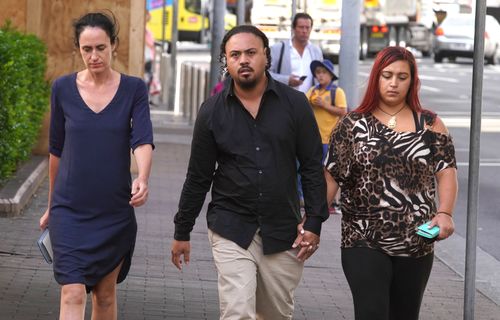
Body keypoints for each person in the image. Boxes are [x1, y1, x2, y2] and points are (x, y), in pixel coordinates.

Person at [171, 25, 329, 319]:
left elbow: (311, 166)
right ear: (226, 62)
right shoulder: (211, 112)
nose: (243, 60)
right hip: (230, 226)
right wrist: (182, 230)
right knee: (238, 310)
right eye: (235, 55)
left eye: (250, 53)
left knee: (275, 314)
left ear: (266, 57)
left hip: (284, 231)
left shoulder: (295, 105)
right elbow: (198, 177)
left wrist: (315, 223)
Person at [324, 46, 458, 320]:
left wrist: (444, 213)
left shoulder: (430, 124)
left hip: (418, 238)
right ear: (376, 78)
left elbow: (446, 172)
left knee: (404, 315)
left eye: (402, 76)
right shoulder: (352, 125)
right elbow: (331, 176)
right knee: (371, 312)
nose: (394, 83)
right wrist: (311, 222)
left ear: (412, 81)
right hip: (363, 236)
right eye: (387, 75)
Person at [39, 12, 154, 319]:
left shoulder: (133, 89)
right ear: (78, 49)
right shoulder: (62, 89)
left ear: (113, 45)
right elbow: (56, 151)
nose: (94, 56)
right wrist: (51, 205)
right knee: (72, 291)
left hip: (113, 212)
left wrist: (142, 176)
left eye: (100, 47)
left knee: (104, 296)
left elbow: (142, 138)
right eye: (86, 49)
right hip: (69, 210)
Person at [306, 59, 346, 214]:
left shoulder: (337, 91)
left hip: (330, 138)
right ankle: (318, 202)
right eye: (318, 73)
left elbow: (343, 111)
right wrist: (310, 101)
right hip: (314, 138)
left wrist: (324, 105)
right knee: (315, 171)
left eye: (323, 73)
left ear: (330, 75)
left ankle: (332, 203)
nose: (320, 76)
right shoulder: (313, 91)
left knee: (330, 172)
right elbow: (303, 102)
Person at [269, 12, 323, 93]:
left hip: (308, 101)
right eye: (301, 27)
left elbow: (321, 76)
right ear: (293, 29)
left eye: (307, 27)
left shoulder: (316, 51)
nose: (304, 31)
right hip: (284, 100)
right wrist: (286, 80)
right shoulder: (278, 48)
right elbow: (265, 74)